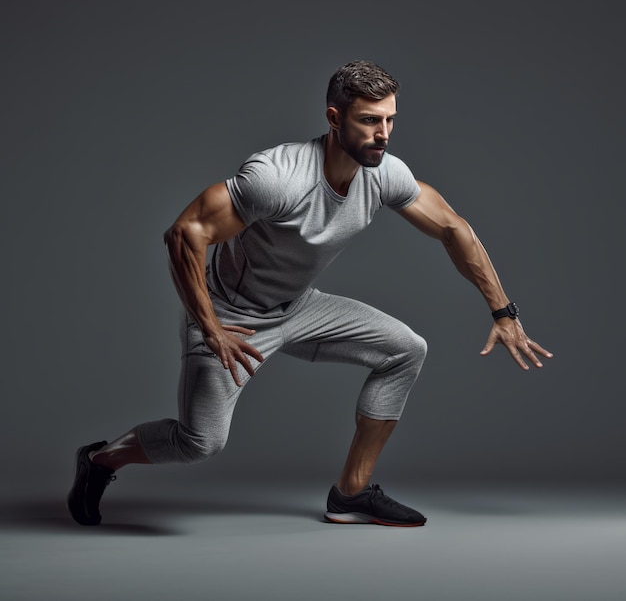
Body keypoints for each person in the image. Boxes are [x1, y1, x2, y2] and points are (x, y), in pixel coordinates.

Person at [67, 60, 552, 527]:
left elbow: (452, 228)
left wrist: (503, 311)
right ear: (333, 118)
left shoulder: (383, 173)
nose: (382, 134)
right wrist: (210, 327)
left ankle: (351, 493)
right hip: (232, 316)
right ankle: (100, 459)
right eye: (368, 121)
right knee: (200, 443)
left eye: (390, 120)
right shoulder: (276, 178)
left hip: (299, 307)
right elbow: (184, 234)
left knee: (405, 350)